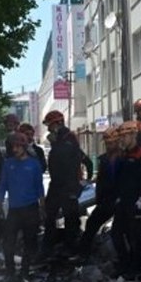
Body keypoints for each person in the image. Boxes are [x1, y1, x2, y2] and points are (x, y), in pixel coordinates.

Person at [41, 110, 89, 258]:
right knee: (50, 216)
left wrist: (81, 183)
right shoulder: (59, 141)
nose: (48, 130)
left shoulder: (68, 139)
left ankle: (70, 248)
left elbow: (85, 161)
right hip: (56, 186)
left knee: (70, 219)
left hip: (68, 187)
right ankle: (49, 246)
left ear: (57, 124)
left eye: (50, 126)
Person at [0, 132, 44, 281]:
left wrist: (42, 208)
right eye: (13, 146)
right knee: (8, 242)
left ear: (24, 147)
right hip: (14, 210)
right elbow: (3, 184)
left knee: (29, 242)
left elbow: (39, 188)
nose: (15, 149)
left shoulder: (34, 165)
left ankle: (24, 271)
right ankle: (10, 271)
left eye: (18, 146)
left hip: (31, 209)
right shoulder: (8, 164)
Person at [111, 121, 141, 279]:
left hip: (137, 203)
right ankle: (125, 263)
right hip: (124, 202)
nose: (122, 139)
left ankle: (137, 268)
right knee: (116, 233)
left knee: (135, 237)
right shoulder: (124, 155)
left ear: (133, 135)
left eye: (124, 136)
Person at [77, 126, 121, 261]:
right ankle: (83, 254)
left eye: (112, 143)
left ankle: (122, 259)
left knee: (119, 231)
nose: (109, 145)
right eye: (107, 143)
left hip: (119, 199)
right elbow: (102, 181)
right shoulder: (105, 159)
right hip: (106, 200)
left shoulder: (124, 158)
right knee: (91, 224)